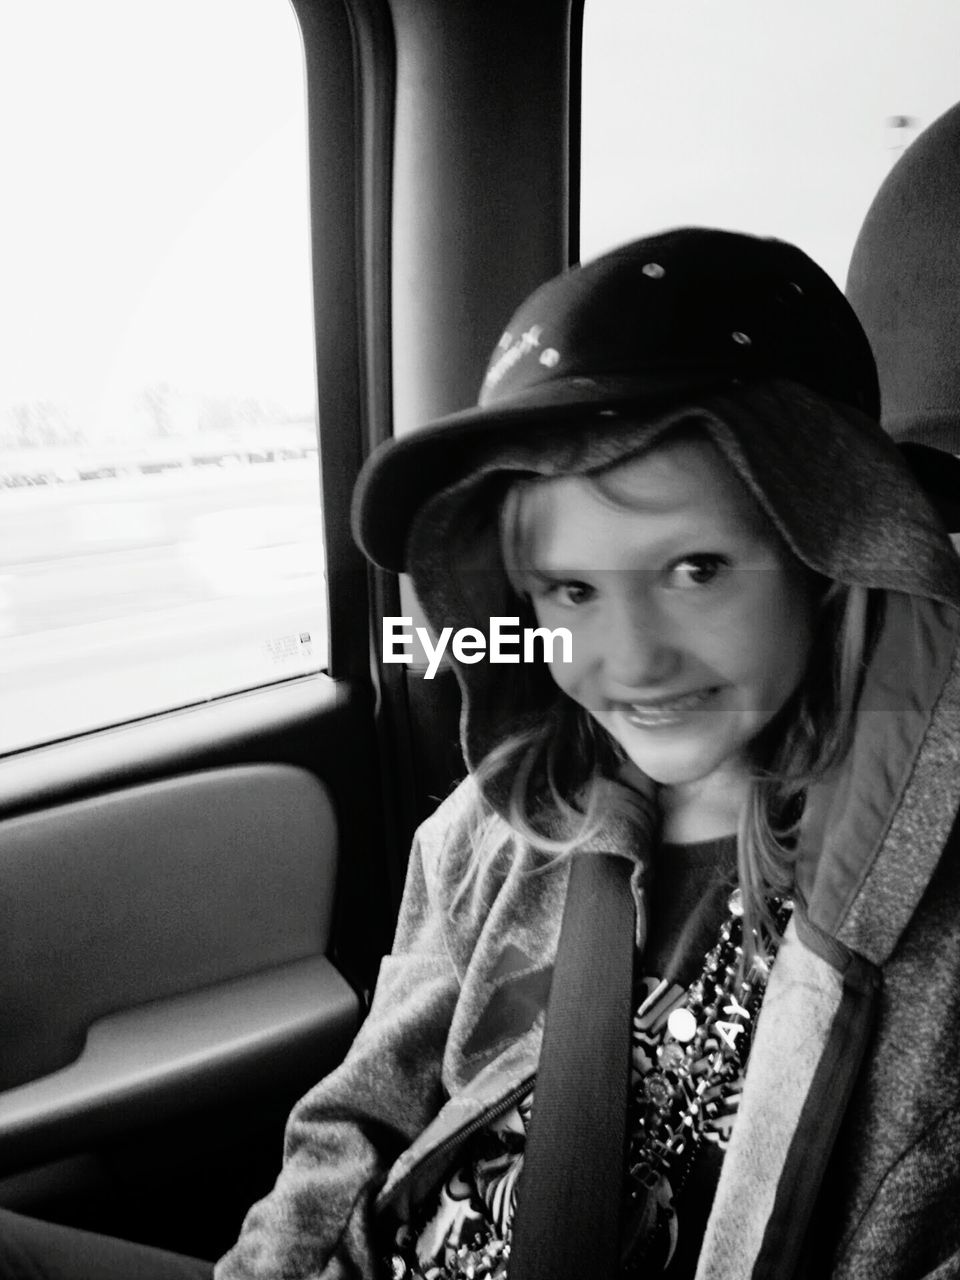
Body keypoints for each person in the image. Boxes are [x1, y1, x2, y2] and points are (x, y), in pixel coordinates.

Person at [3, 228, 960, 1280]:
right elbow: (358, 1116)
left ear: (832, 560)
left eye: (697, 568)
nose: (630, 657)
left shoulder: (925, 923)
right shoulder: (494, 827)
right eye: (572, 589)